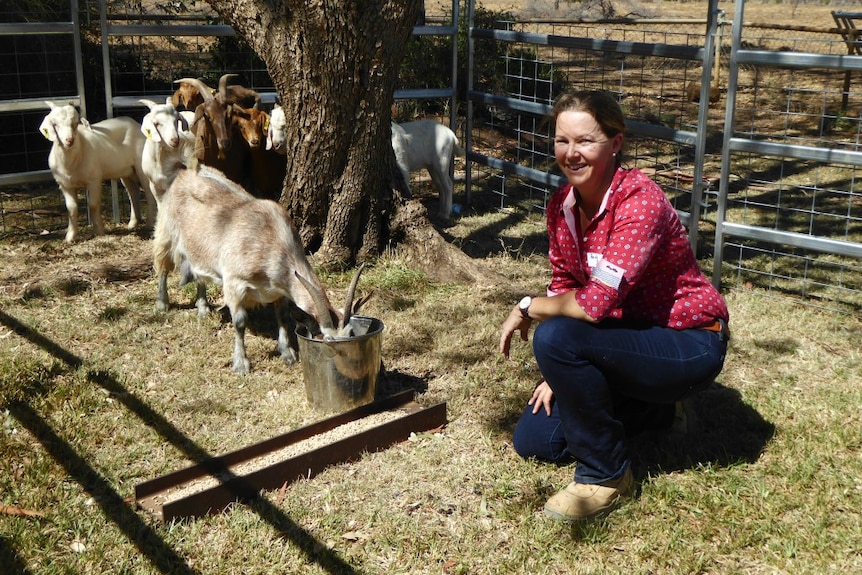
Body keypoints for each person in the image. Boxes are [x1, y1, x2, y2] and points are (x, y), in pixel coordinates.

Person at [499, 89, 729, 522]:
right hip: (623, 341)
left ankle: (604, 476)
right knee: (537, 441)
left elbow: (593, 305)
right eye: (562, 140)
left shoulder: (639, 200)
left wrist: (529, 308)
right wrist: (559, 371)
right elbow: (566, 283)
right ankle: (658, 410)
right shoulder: (560, 207)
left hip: (689, 341)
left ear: (615, 143)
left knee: (555, 334)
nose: (571, 153)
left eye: (585, 141)